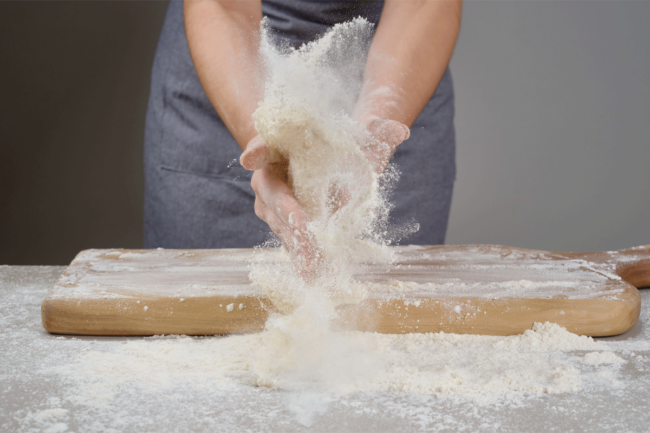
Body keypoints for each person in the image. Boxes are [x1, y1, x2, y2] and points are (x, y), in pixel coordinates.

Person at [143, 0, 461, 272]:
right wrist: (265, 132)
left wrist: (378, 119)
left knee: (389, 324)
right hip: (228, 71)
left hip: (402, 69)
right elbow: (225, 7)